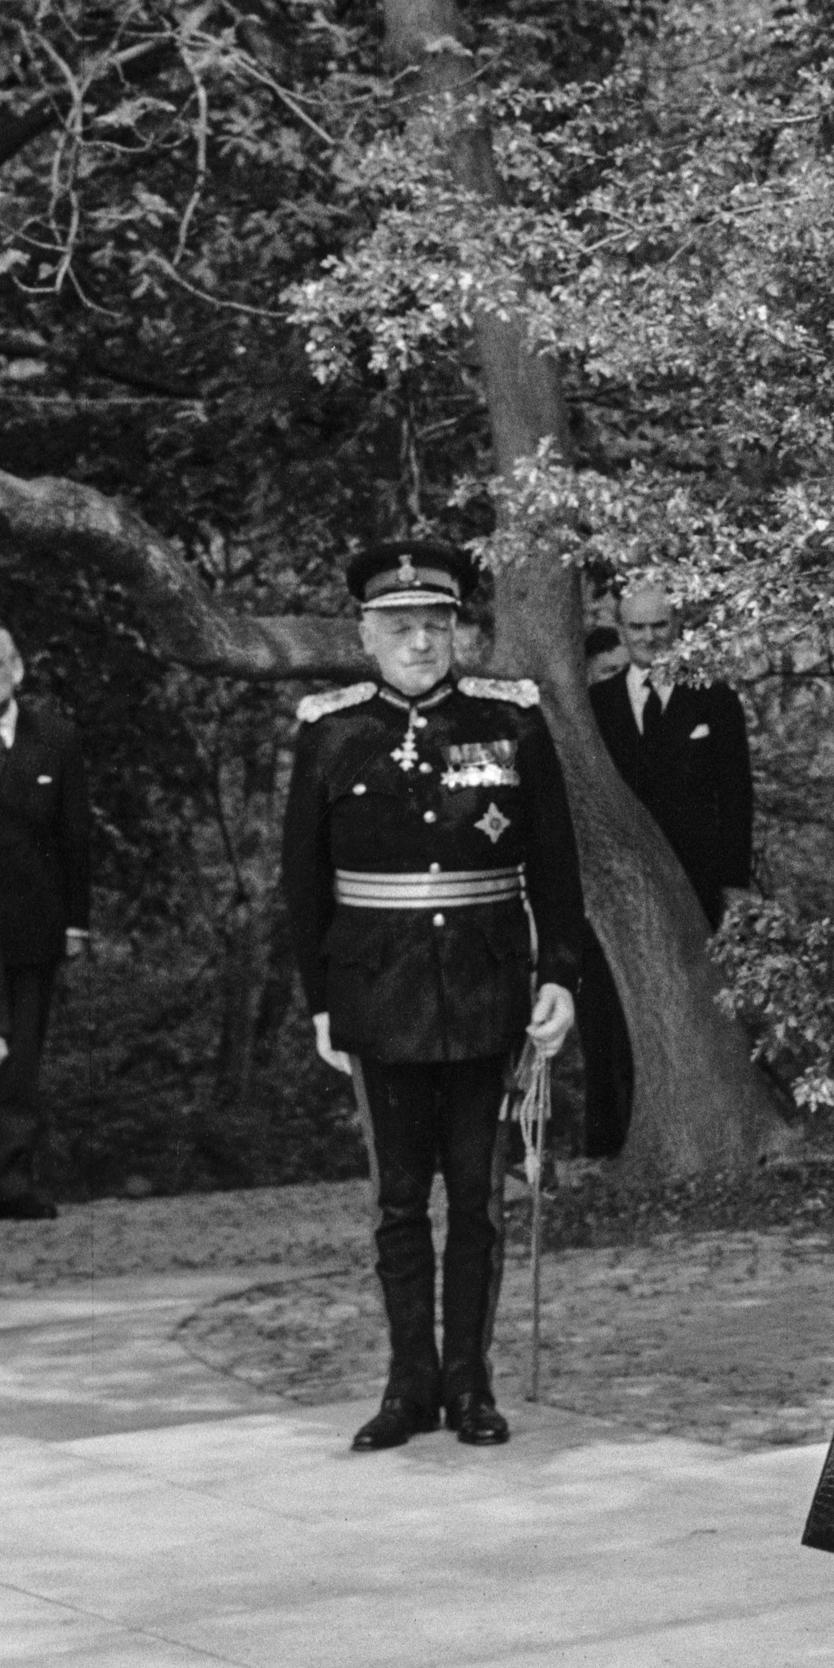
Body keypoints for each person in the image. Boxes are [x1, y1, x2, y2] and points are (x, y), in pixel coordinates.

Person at [279, 537, 586, 1451]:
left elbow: (557, 867)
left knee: (479, 1199)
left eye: (435, 625)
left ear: (458, 629)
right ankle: (407, 1385)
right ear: (366, 635)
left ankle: (470, 1384)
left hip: (488, 990)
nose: (419, 642)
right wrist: (322, 1002)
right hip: (377, 993)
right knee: (399, 1201)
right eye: (399, 627)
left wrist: (560, 975)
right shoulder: (330, 730)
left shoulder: (513, 721)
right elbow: (304, 880)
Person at [573, 610, 755, 1159]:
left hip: (696, 885)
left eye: (659, 626)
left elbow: (737, 792)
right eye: (638, 627)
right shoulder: (596, 705)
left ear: (677, 629)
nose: (649, 637)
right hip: (618, 888)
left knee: (698, 999)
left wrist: (733, 881)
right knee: (608, 1008)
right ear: (622, 630)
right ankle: (608, 1140)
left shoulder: (713, 698)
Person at [0, 608, 92, 1226]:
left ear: (18, 668)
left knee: (23, 1055)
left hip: (33, 921)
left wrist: (76, 922)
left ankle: (19, 1179)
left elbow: (74, 835)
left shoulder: (56, 734)